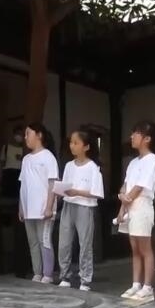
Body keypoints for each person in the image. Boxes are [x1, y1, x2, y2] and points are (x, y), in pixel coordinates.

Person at [117, 121, 155, 303]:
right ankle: (136, 284)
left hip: (142, 205)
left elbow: (140, 186)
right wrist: (122, 207)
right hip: (130, 205)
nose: (132, 136)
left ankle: (148, 287)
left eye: (136, 133)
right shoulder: (133, 162)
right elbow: (126, 185)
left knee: (145, 248)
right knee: (134, 248)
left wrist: (126, 198)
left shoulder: (151, 159)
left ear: (147, 138)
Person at [57, 127, 105, 291]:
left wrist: (77, 192)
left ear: (86, 146)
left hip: (85, 207)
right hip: (68, 204)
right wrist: (62, 191)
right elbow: (65, 186)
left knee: (85, 244)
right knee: (64, 242)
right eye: (71, 142)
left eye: (76, 143)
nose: (72, 145)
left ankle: (85, 279)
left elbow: (97, 193)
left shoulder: (93, 167)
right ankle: (65, 276)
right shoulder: (69, 166)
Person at [19, 123, 59, 283]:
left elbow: (52, 183)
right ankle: (37, 272)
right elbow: (23, 185)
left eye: (28, 133)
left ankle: (47, 274)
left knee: (45, 240)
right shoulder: (26, 159)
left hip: (44, 208)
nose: (25, 137)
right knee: (33, 242)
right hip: (29, 208)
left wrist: (49, 207)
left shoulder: (48, 157)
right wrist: (21, 207)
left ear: (39, 135)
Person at [0, 126, 25, 199]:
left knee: (18, 198)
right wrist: (0, 177)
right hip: (8, 175)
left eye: (21, 134)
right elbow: (1, 163)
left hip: (20, 175)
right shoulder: (6, 147)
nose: (19, 136)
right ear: (14, 134)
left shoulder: (25, 149)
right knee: (7, 197)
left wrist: (22, 158)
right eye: (18, 134)